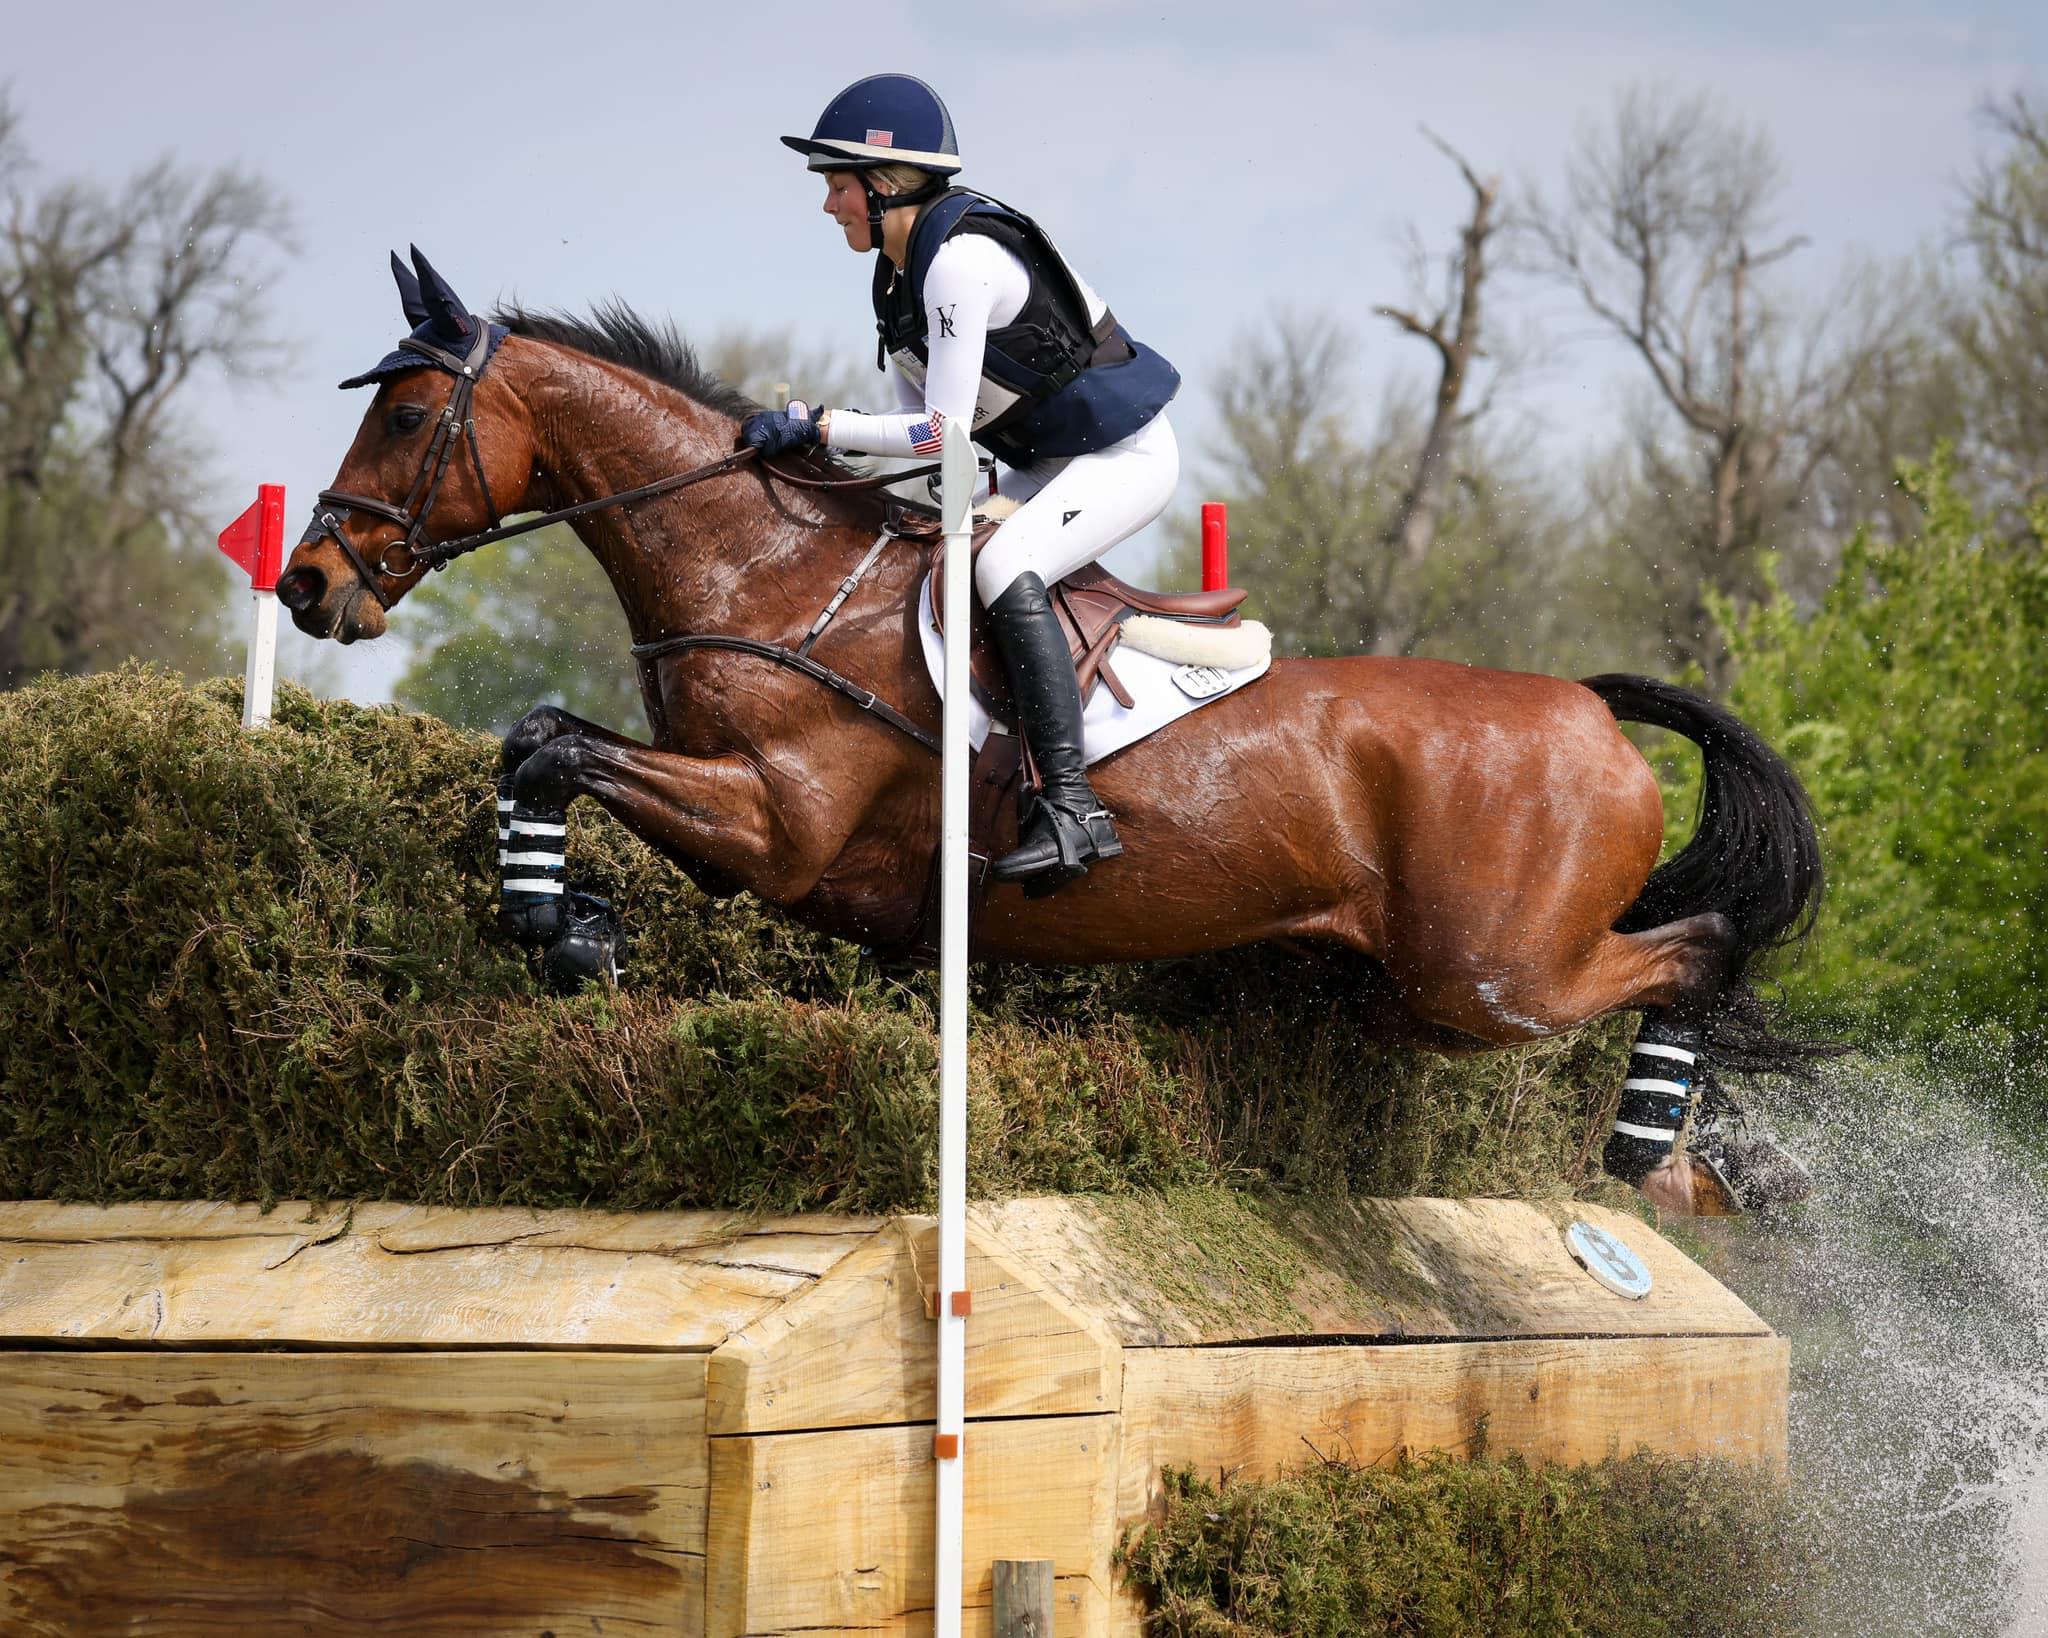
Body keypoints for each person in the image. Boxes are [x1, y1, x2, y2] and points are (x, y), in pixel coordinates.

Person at [739, 73, 1182, 896]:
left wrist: (821, 424)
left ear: (887, 183)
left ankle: (1074, 809)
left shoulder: (959, 265)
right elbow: (940, 458)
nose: (828, 205)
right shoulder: (898, 278)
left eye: (837, 184)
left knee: (998, 568)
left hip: (1122, 459)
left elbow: (939, 432)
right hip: (1035, 464)